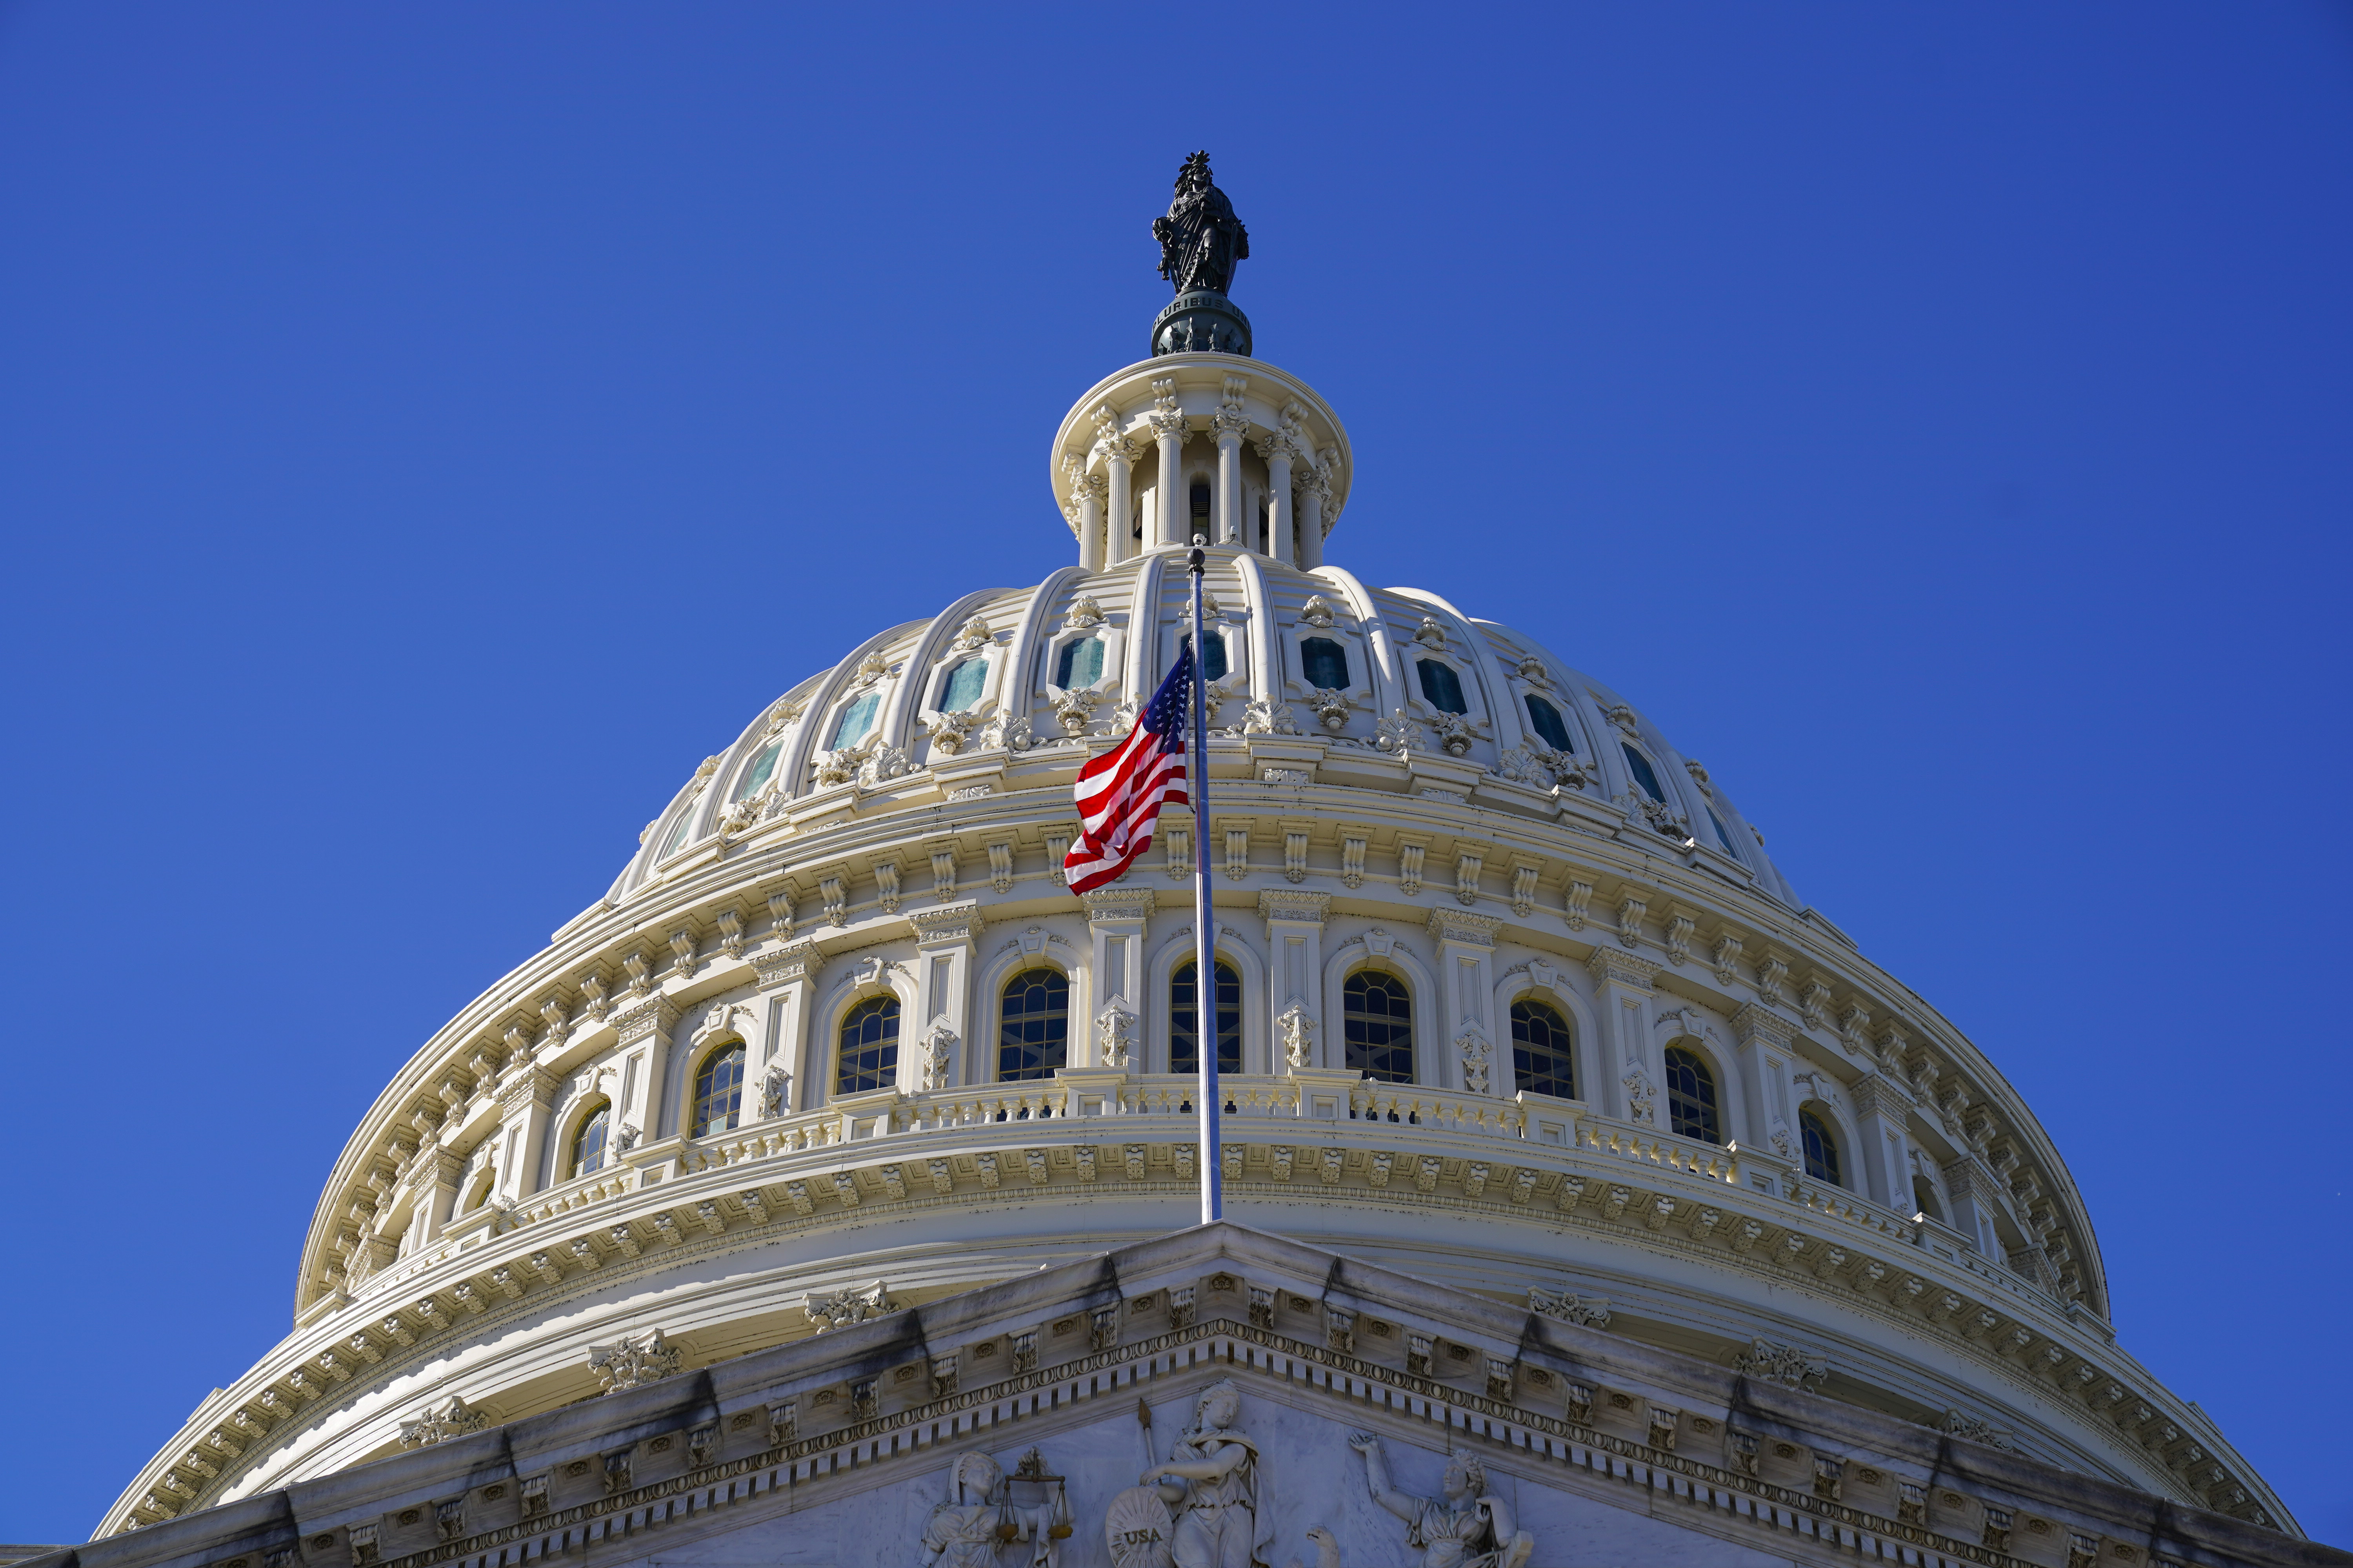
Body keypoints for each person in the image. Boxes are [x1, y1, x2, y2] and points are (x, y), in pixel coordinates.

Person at [1347, 1434, 1535, 1568]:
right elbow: (1384, 1495)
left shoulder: (1482, 1515)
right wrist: (1372, 1453)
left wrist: (1496, 1503)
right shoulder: (1428, 1511)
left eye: (1455, 1471)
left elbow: (1508, 1544)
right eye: (1446, 1472)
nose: (1447, 1476)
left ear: (1471, 1481)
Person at [1141, 1380, 1273, 1568]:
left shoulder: (1238, 1444)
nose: (1231, 1412)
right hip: (1195, 1516)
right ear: (1206, 1403)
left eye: (1235, 1410)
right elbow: (1179, 1490)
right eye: (1227, 1404)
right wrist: (1156, 1492)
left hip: (1233, 1515)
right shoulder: (1184, 1448)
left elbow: (1216, 1468)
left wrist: (1165, 1468)